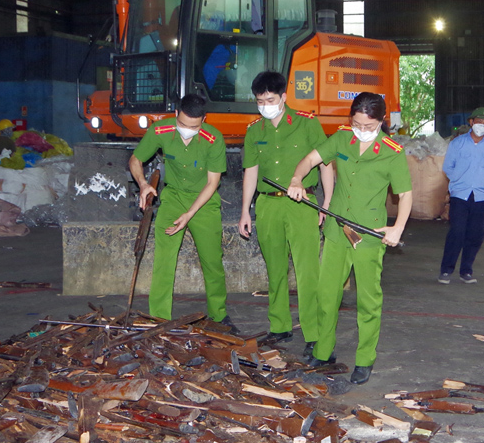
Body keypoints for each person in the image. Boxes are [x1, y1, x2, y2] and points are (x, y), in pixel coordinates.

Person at [287, 92, 412, 385]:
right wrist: (296, 179)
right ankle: (323, 351)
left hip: (369, 235)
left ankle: (365, 359)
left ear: (382, 121)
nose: (362, 130)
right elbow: (310, 159)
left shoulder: (392, 151)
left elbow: (405, 194)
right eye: (357, 124)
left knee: (368, 301)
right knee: (326, 294)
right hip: (336, 230)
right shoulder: (342, 138)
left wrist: (398, 228)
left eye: (369, 126)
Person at [239, 71, 334, 349]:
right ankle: (279, 326)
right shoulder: (255, 130)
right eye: (260, 101)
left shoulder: (307, 123)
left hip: (302, 204)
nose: (265, 106)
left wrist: (327, 201)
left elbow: (325, 163)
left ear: (284, 97)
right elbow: (251, 172)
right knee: (275, 268)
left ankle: (313, 333)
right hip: (268, 205)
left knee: (308, 271)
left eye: (270, 100)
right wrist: (245, 211)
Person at [128, 94, 236, 331]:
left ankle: (219, 315)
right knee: (164, 260)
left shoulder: (213, 138)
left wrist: (190, 214)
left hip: (204, 202)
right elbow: (136, 159)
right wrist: (143, 184)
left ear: (204, 120)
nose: (188, 131)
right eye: (183, 125)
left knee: (212, 261)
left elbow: (212, 183)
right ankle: (159, 319)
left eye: (194, 127)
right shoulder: (160, 130)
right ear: (176, 114)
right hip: (173, 198)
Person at [438, 107, 484, 284]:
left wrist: (480, 181)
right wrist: (460, 180)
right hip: (460, 194)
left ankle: (466, 271)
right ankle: (446, 270)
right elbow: (448, 167)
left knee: (475, 234)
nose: (482, 125)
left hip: (481, 196)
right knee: (457, 232)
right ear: (471, 122)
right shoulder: (457, 143)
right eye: (479, 122)